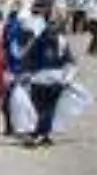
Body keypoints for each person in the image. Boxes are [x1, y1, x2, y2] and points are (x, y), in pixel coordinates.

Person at [18, 15, 71, 148]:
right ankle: (43, 134)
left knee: (42, 108)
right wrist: (66, 78)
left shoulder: (39, 40)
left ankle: (39, 134)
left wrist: (26, 74)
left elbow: (28, 59)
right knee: (47, 109)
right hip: (47, 79)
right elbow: (69, 62)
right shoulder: (60, 41)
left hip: (44, 79)